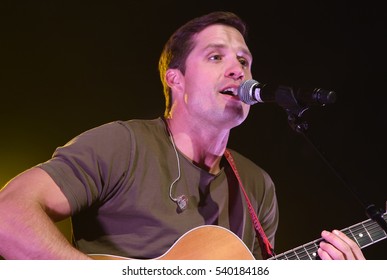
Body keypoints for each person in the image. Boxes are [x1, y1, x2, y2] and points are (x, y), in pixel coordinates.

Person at [0, 11, 365, 260]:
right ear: (175, 79)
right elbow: (8, 214)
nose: (238, 71)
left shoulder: (257, 186)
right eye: (215, 57)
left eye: (243, 60)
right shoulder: (123, 145)